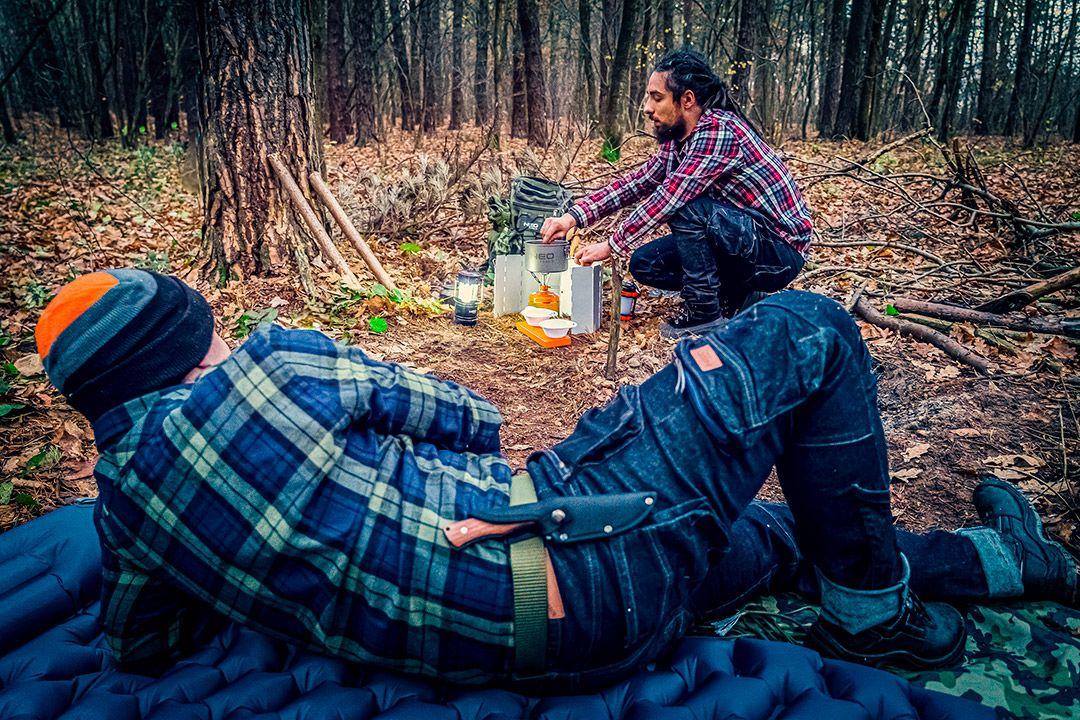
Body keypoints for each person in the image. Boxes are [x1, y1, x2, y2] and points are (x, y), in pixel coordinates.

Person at [36, 269, 1077, 690]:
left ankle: (998, 560)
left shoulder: (125, 506)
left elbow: (142, 642)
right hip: (583, 558)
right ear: (179, 343)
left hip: (561, 639)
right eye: (201, 318)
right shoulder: (275, 369)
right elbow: (472, 418)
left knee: (759, 534)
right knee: (808, 329)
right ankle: (876, 621)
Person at [541, 49, 812, 338]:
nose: (647, 108)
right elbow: (636, 182)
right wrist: (572, 217)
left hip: (778, 252)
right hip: (742, 241)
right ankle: (740, 299)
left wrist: (613, 244)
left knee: (687, 206)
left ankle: (704, 314)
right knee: (645, 264)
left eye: (656, 98)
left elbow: (671, 196)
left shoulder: (719, 131)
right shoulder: (678, 141)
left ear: (687, 99)